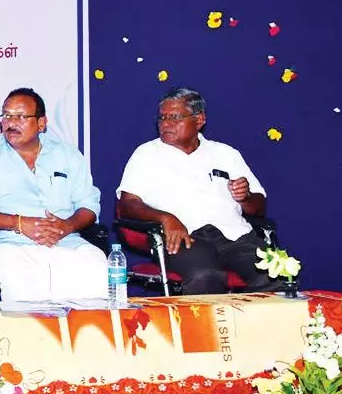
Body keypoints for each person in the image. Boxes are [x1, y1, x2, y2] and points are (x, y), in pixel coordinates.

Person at [116, 87, 274, 294]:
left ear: (199, 120)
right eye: (162, 118)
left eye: (174, 117)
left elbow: (258, 208)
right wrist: (165, 218)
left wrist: (246, 197)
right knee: (205, 276)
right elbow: (127, 205)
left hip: (235, 235)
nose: (165, 124)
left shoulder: (226, 154)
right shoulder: (146, 154)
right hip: (185, 237)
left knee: (276, 274)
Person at [0, 87, 106, 302]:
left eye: (20, 116)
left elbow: (89, 205)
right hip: (11, 242)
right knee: (24, 277)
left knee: (97, 264)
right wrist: (20, 223)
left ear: (41, 123)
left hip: (66, 240)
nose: (11, 123)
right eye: (6, 115)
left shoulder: (67, 154)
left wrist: (67, 226)